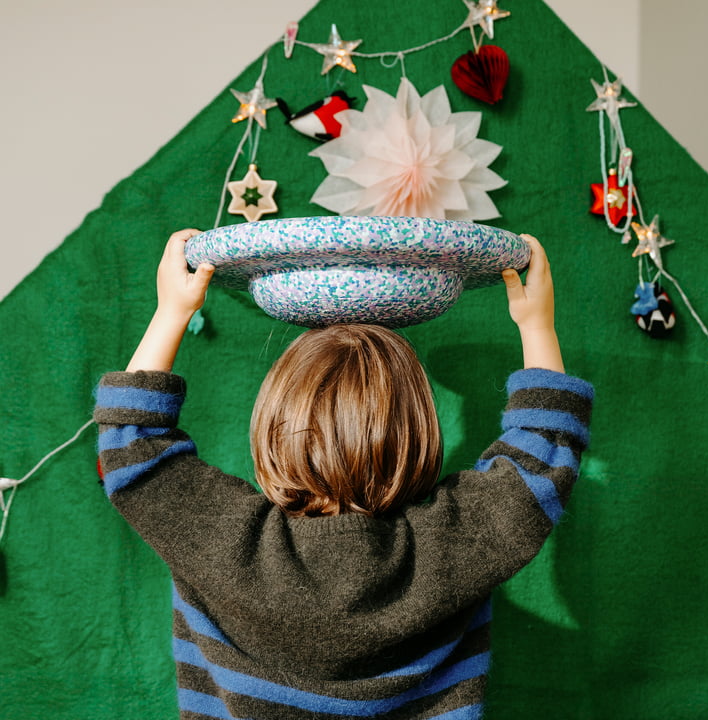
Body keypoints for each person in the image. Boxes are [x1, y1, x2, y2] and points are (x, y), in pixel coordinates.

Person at [94, 228, 593, 720]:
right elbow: (542, 451)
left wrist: (171, 312)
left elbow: (132, 444)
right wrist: (536, 326)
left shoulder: (221, 542)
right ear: (418, 437)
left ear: (272, 429)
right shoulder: (450, 550)